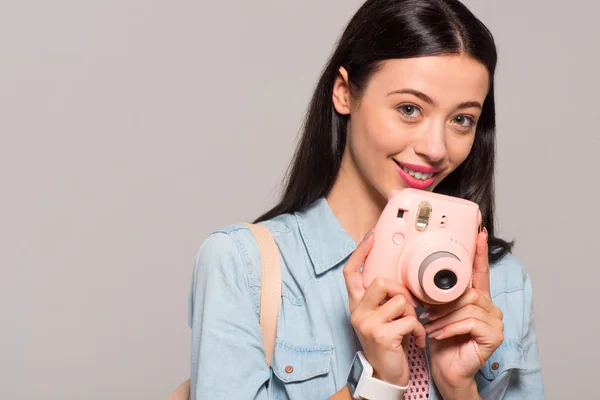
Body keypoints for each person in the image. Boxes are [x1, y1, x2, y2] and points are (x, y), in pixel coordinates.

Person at [188, 0, 544, 398]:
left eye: (462, 119)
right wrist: (378, 382)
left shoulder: (505, 284)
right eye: (409, 109)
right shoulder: (243, 267)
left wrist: (460, 389)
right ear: (344, 93)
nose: (436, 148)